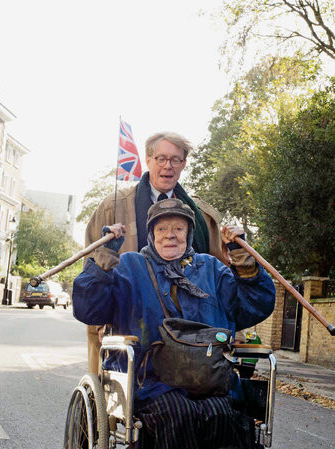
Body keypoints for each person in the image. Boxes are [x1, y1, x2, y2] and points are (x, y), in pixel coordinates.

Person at [73, 199, 276, 449]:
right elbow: (89, 310)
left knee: (221, 415)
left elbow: (253, 306)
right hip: (149, 381)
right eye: (162, 229)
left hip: (209, 380)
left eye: (178, 228)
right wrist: (103, 260)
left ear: (189, 234)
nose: (170, 235)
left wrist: (244, 261)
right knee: (176, 413)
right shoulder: (129, 267)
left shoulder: (211, 269)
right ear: (151, 234)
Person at [84, 131, 226, 374]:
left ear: (184, 164)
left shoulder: (203, 216)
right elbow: (93, 266)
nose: (167, 166)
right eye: (161, 159)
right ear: (148, 160)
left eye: (175, 160)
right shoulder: (114, 206)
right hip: (127, 321)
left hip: (190, 328)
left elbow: (222, 275)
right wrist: (100, 320)